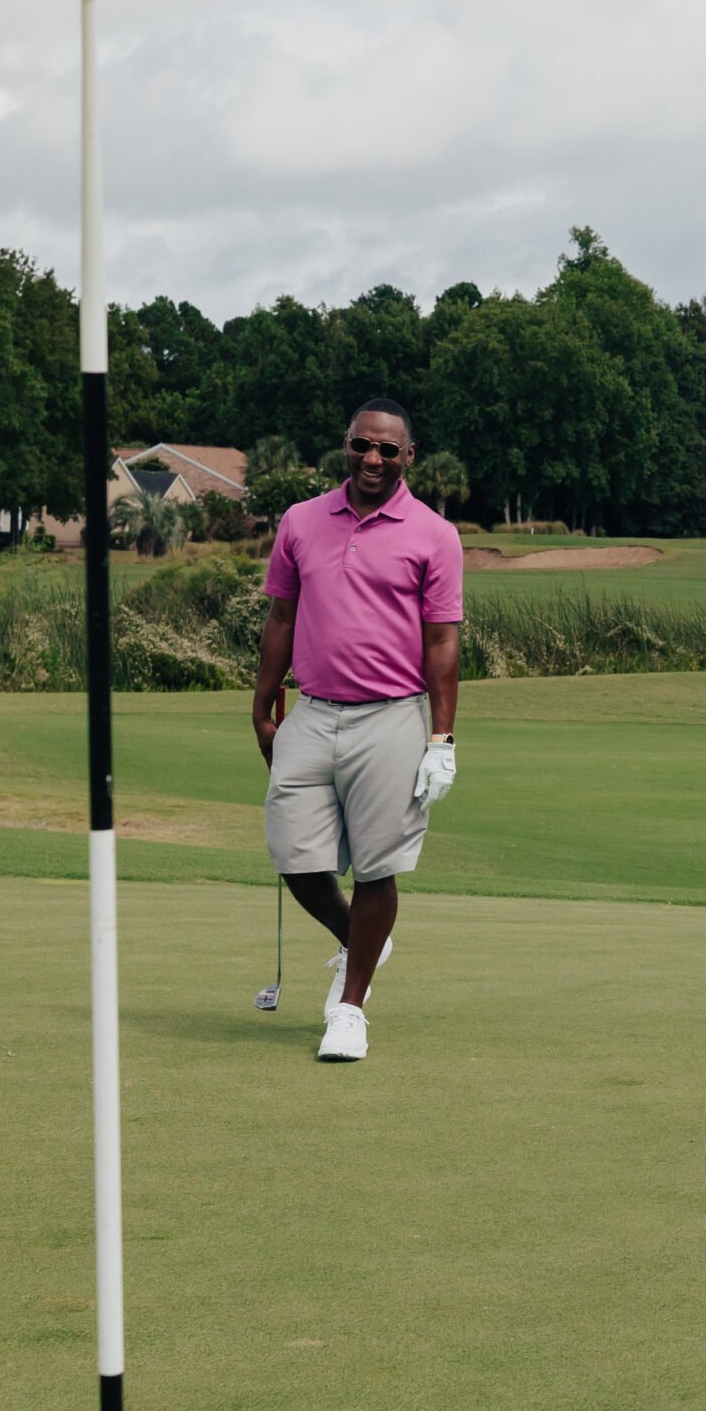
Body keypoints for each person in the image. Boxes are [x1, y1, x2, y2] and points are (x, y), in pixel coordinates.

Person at [253, 399, 464, 1063]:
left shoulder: (434, 534)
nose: (372, 458)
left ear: (409, 456)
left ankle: (350, 1009)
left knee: (379, 863)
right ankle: (360, 939)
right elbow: (282, 618)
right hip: (312, 710)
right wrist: (262, 699)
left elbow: (442, 642)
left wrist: (442, 740)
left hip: (393, 714)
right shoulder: (301, 521)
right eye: (361, 445)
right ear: (345, 444)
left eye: (387, 449)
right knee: (294, 853)